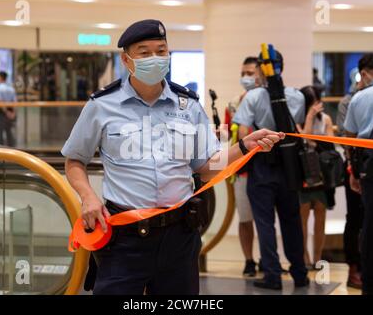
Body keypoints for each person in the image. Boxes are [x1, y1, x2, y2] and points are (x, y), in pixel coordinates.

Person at [61, 19, 284, 295]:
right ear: (126, 59)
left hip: (180, 236)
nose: (154, 58)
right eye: (144, 52)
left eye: (161, 50)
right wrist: (88, 197)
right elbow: (74, 160)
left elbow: (206, 167)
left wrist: (244, 147)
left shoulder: (188, 105)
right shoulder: (102, 105)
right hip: (123, 237)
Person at [233, 50, 309, 290]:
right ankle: (300, 273)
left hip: (262, 168)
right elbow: (296, 128)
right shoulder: (296, 96)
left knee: (265, 223)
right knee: (292, 222)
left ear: (262, 71)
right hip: (290, 168)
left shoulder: (253, 97)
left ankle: (272, 275)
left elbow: (244, 134)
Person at [344, 53, 373, 295]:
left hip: (372, 169)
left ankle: (370, 285)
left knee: (371, 227)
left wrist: (353, 172)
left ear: (365, 73)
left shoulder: (360, 98)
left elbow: (348, 138)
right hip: (372, 166)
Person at [222, 56, 263, 277]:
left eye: (250, 73)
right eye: (243, 73)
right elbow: (228, 132)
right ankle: (249, 260)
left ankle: (268, 259)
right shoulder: (234, 103)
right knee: (245, 217)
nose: (246, 77)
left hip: (265, 169)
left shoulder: (266, 99)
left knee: (265, 219)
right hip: (242, 170)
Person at [297, 85, 334, 270]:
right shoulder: (297, 120)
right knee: (302, 217)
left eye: (316, 102)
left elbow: (330, 143)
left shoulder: (326, 119)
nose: (315, 106)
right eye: (311, 104)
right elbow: (303, 141)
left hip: (322, 174)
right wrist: (309, 118)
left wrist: (312, 139)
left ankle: (318, 258)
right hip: (303, 174)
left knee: (321, 216)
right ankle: (305, 258)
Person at [337, 72, 365, 289]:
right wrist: (352, 169)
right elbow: (347, 138)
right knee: (355, 218)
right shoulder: (349, 102)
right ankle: (354, 268)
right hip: (355, 167)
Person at [0, 71, 17, 146]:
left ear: (0, 77)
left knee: (0, 135)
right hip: (10, 113)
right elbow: (14, 102)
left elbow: (0, 101)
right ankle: (12, 153)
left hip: (1, 113)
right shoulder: (11, 89)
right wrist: (12, 113)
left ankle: (1, 155)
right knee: (9, 134)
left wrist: (6, 112)